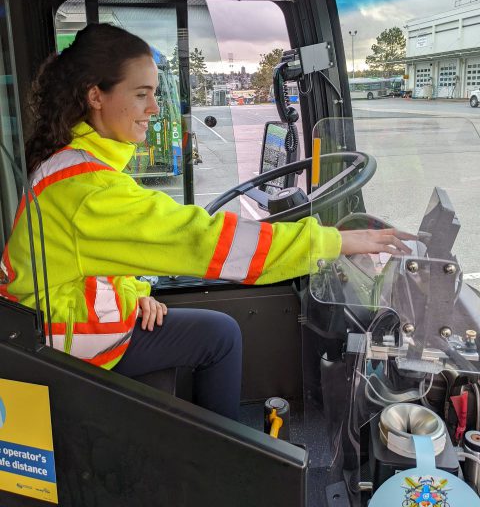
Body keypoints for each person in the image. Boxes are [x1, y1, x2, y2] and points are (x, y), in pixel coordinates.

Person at [0, 24, 413, 420]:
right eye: (142, 94)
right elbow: (200, 239)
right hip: (66, 352)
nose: (154, 108)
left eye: (155, 94)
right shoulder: (91, 191)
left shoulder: (72, 164)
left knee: (216, 329)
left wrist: (134, 291)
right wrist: (332, 242)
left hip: (56, 330)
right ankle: (225, 455)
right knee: (221, 336)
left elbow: (86, 256)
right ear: (96, 96)